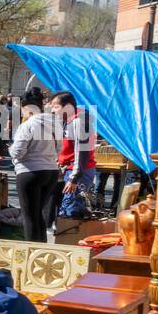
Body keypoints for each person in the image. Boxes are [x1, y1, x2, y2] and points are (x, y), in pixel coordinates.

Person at [9, 99, 62, 242]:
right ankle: (41, 250)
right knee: (37, 213)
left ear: (29, 110)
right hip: (51, 171)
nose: (22, 113)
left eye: (22, 110)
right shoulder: (54, 125)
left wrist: (10, 149)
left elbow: (18, 152)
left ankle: (32, 252)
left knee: (29, 216)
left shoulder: (27, 125)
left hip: (29, 171)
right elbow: (59, 149)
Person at [51, 92, 96, 221]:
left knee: (71, 210)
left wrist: (74, 178)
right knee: (68, 207)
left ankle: (68, 239)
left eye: (56, 107)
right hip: (71, 169)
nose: (53, 111)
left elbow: (82, 152)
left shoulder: (79, 121)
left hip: (78, 172)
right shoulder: (69, 120)